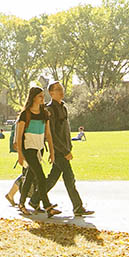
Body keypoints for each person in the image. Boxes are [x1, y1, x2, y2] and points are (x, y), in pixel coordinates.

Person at [45, 82, 93, 217]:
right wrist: (64, 151)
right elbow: (52, 134)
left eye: (62, 89)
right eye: (58, 89)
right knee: (69, 177)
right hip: (58, 150)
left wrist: (69, 147)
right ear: (51, 93)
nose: (61, 91)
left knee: (53, 177)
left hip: (65, 148)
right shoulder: (50, 110)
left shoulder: (63, 107)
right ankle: (78, 206)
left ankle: (36, 199)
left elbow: (65, 129)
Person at [14, 86, 60, 217]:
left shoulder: (45, 113)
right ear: (33, 97)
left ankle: (22, 203)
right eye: (40, 96)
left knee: (30, 176)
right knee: (40, 176)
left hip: (40, 148)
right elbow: (19, 135)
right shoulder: (25, 114)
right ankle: (47, 206)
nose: (42, 98)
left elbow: (48, 134)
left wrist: (51, 151)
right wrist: (20, 154)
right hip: (28, 149)